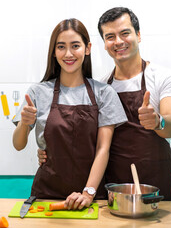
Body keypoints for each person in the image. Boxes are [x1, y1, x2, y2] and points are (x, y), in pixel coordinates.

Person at [38, 7, 171, 201]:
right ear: (104, 44)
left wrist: (158, 122)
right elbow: (90, 140)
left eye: (125, 33)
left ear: (138, 35)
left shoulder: (164, 78)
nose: (118, 42)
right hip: (112, 186)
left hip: (154, 182)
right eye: (110, 37)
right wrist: (49, 149)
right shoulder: (101, 88)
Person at [12, 18, 127, 209]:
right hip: (46, 197)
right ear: (54, 52)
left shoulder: (104, 93)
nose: (68, 54)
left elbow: (102, 149)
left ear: (87, 48)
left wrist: (88, 192)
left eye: (75, 46)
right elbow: (18, 145)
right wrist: (24, 123)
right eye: (61, 47)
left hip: (90, 197)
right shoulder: (37, 92)